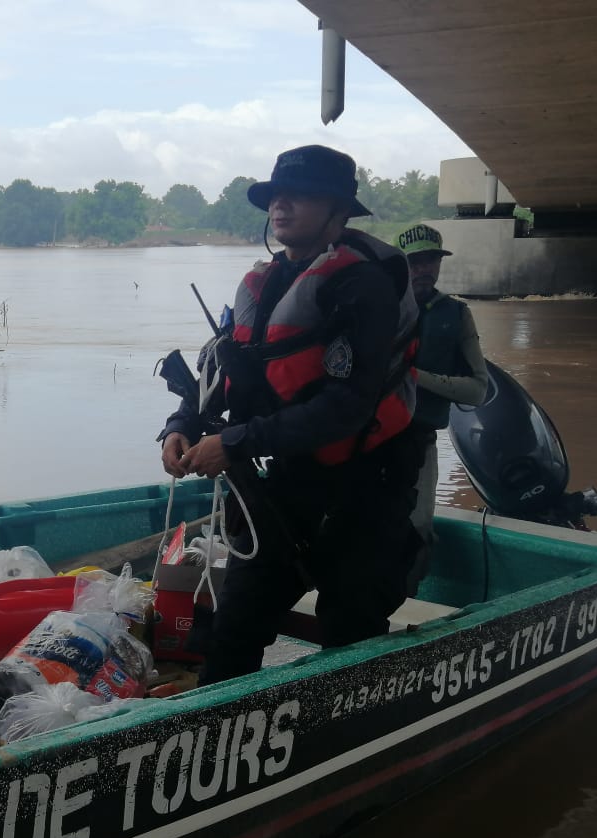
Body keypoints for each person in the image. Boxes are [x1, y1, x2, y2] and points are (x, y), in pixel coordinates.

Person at [159, 144, 425, 684]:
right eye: (275, 196)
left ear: (339, 211)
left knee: (350, 629)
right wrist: (182, 424)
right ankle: (217, 738)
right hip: (286, 483)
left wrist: (235, 443)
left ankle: (348, 743)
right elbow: (222, 366)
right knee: (235, 624)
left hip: (365, 486)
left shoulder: (363, 287)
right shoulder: (267, 282)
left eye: (300, 196)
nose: (280, 206)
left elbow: (346, 408)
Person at [396, 224, 489, 594]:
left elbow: (478, 390)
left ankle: (405, 601)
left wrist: (414, 375)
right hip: (368, 443)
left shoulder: (457, 314)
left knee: (417, 530)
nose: (423, 269)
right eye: (414, 261)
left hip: (420, 443)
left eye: (431, 259)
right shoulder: (376, 308)